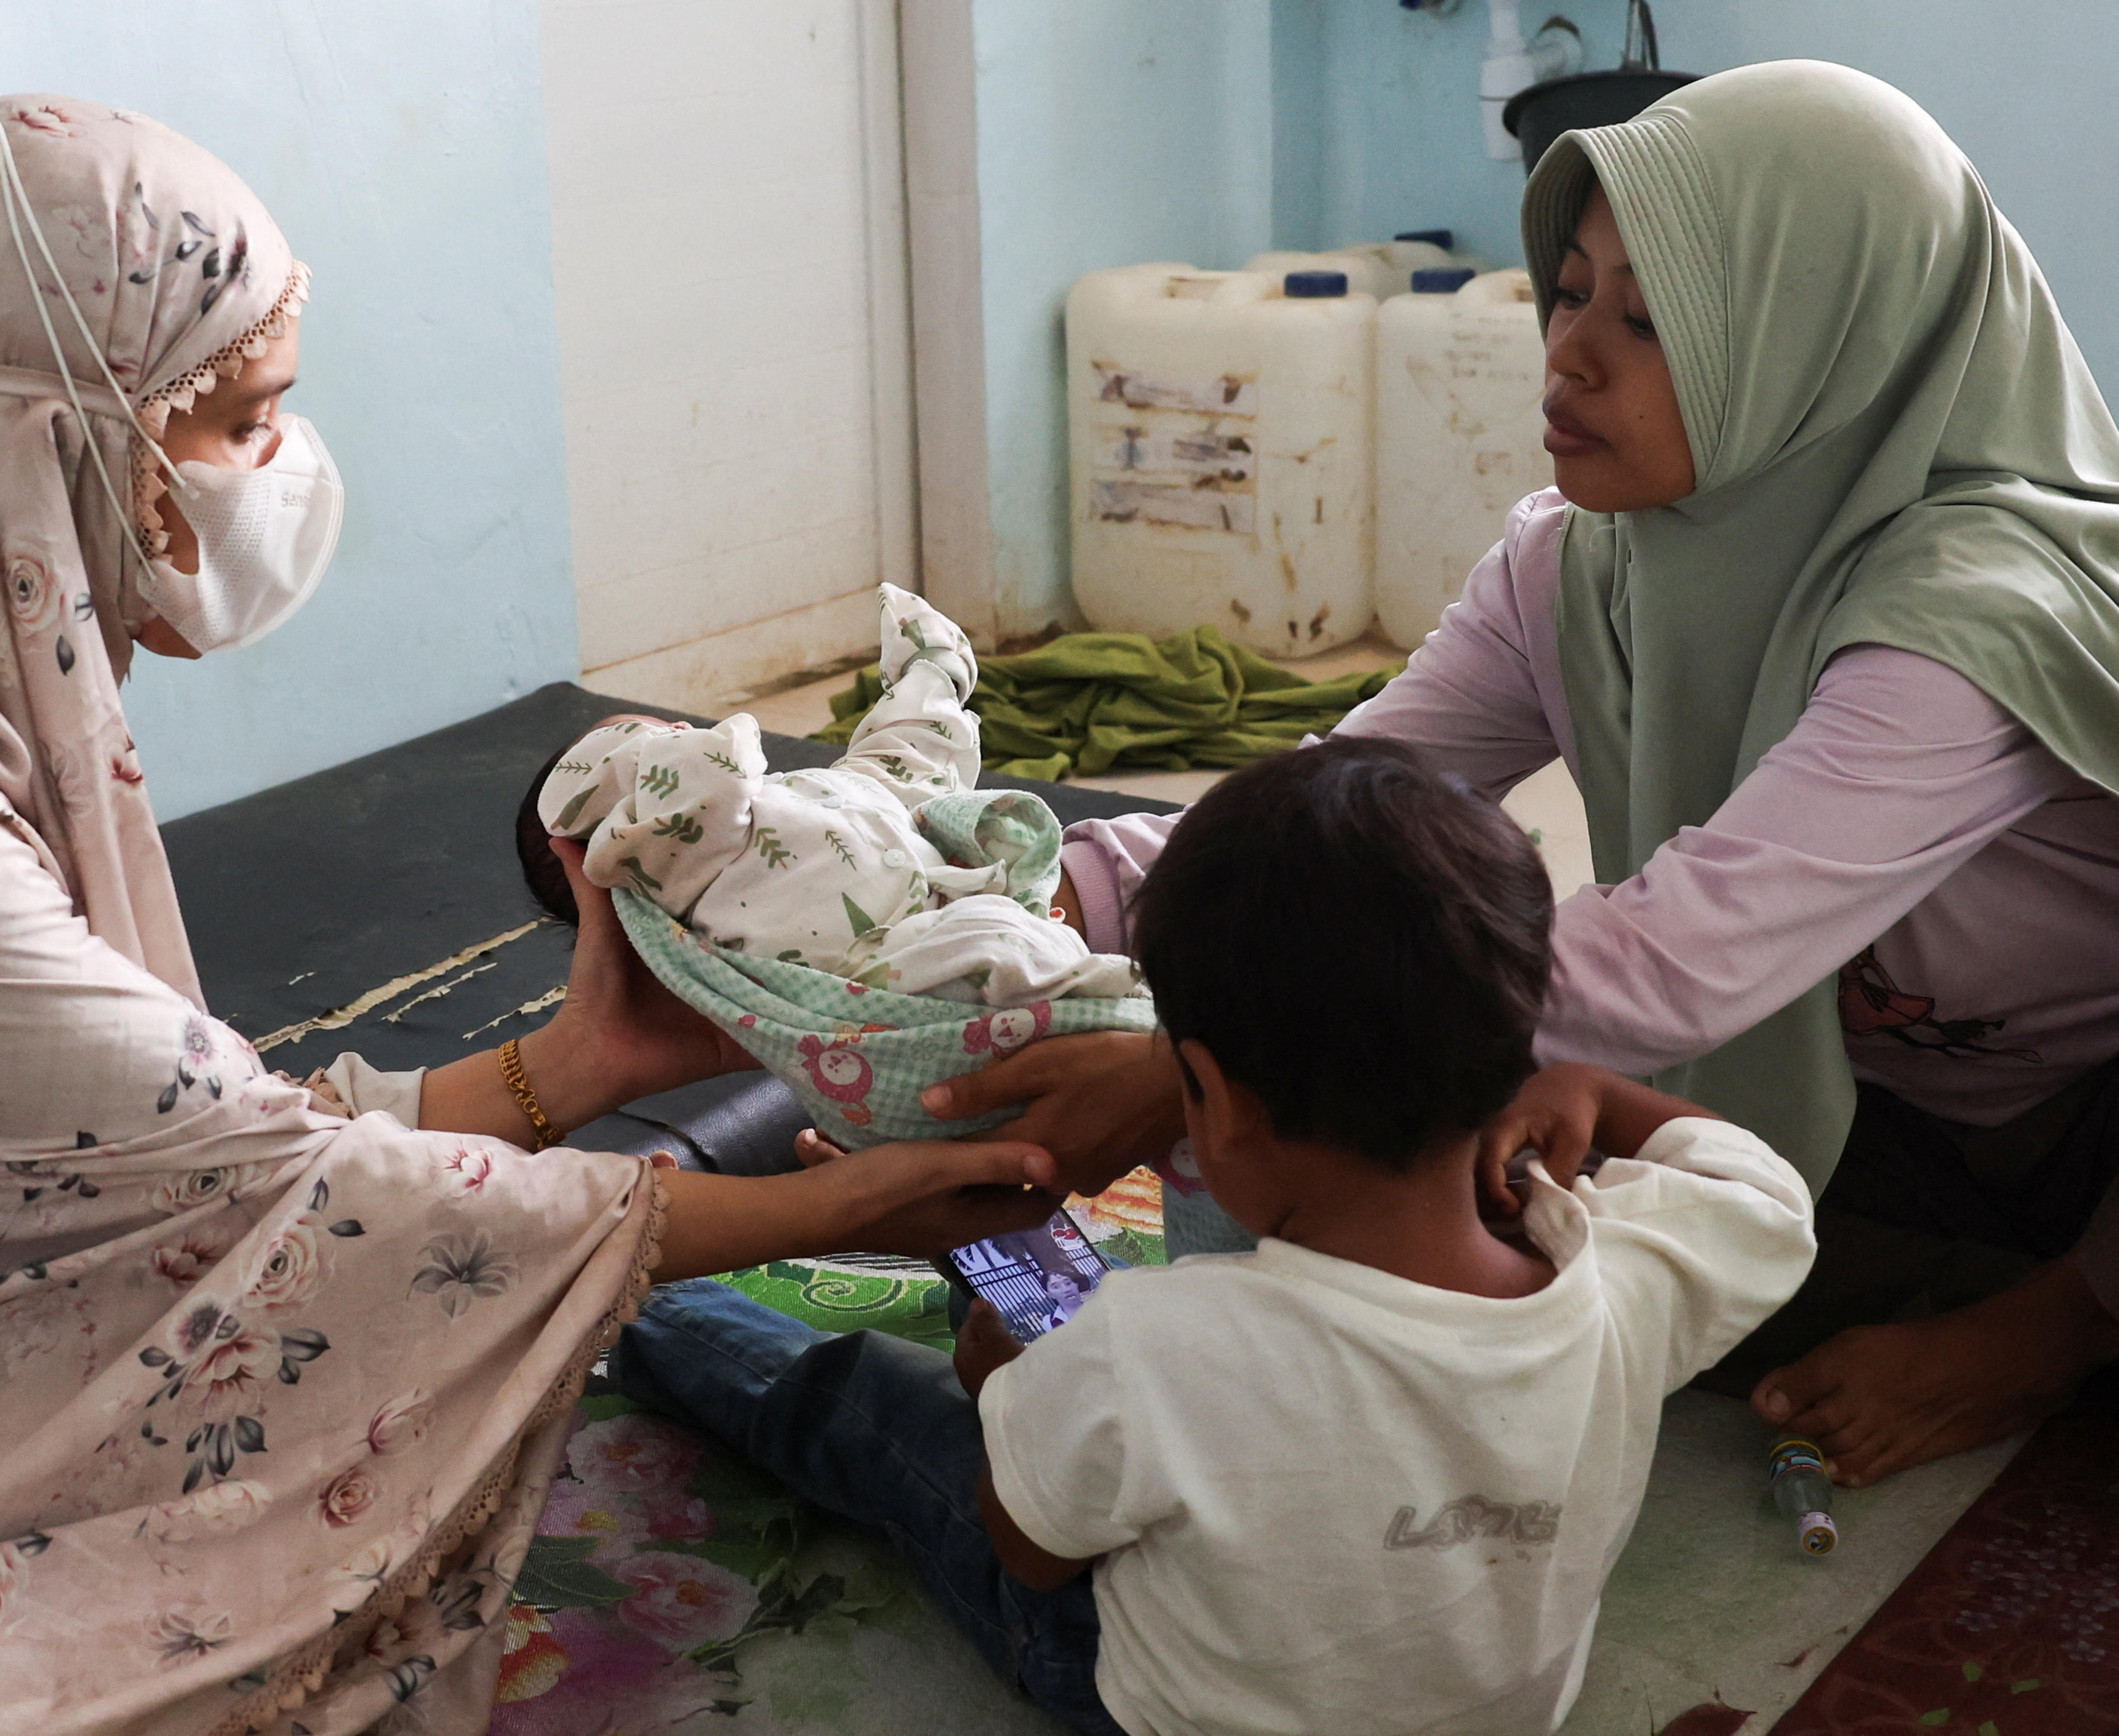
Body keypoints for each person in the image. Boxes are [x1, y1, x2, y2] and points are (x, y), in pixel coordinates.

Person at [0, 98, 1065, 1733]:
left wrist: (581, 1065)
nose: (281, 470)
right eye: (247, 419)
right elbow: (273, 1205)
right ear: (68, 434)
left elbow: (157, 1164)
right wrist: (836, 1205)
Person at [921, 59, 2119, 1492]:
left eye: (1651, 321)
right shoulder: (1580, 562)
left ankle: (2053, 1326)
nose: (1570, 358)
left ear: (1824, 343)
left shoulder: (1976, 610)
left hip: (2084, 1119)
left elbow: (1673, 961)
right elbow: (1327, 816)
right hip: (1858, 1092)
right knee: (1424, 1218)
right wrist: (999, 907)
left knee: (1389, 1127)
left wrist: (1200, 1061)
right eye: (1568, 292)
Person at [617, 740, 1815, 1736]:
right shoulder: (1624, 1276)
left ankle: (628, 1298)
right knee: (1087, 1360)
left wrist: (997, 1370)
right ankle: (990, 1246)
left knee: (881, 1408)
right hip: (1495, 1710)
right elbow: (1760, 1193)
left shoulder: (1156, 1345)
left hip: (1137, 1691)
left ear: (1215, 1099)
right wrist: (1595, 1090)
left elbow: (1028, 1552)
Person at [529, 584, 1135, 1005]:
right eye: (651, 738)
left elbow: (890, 770)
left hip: (917, 855)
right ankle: (1110, 996)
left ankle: (934, 674)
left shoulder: (777, 801)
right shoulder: (682, 854)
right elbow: (703, 778)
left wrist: (929, 673)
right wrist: (691, 748)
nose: (681, 730)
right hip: (891, 952)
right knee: (990, 946)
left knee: (904, 768)